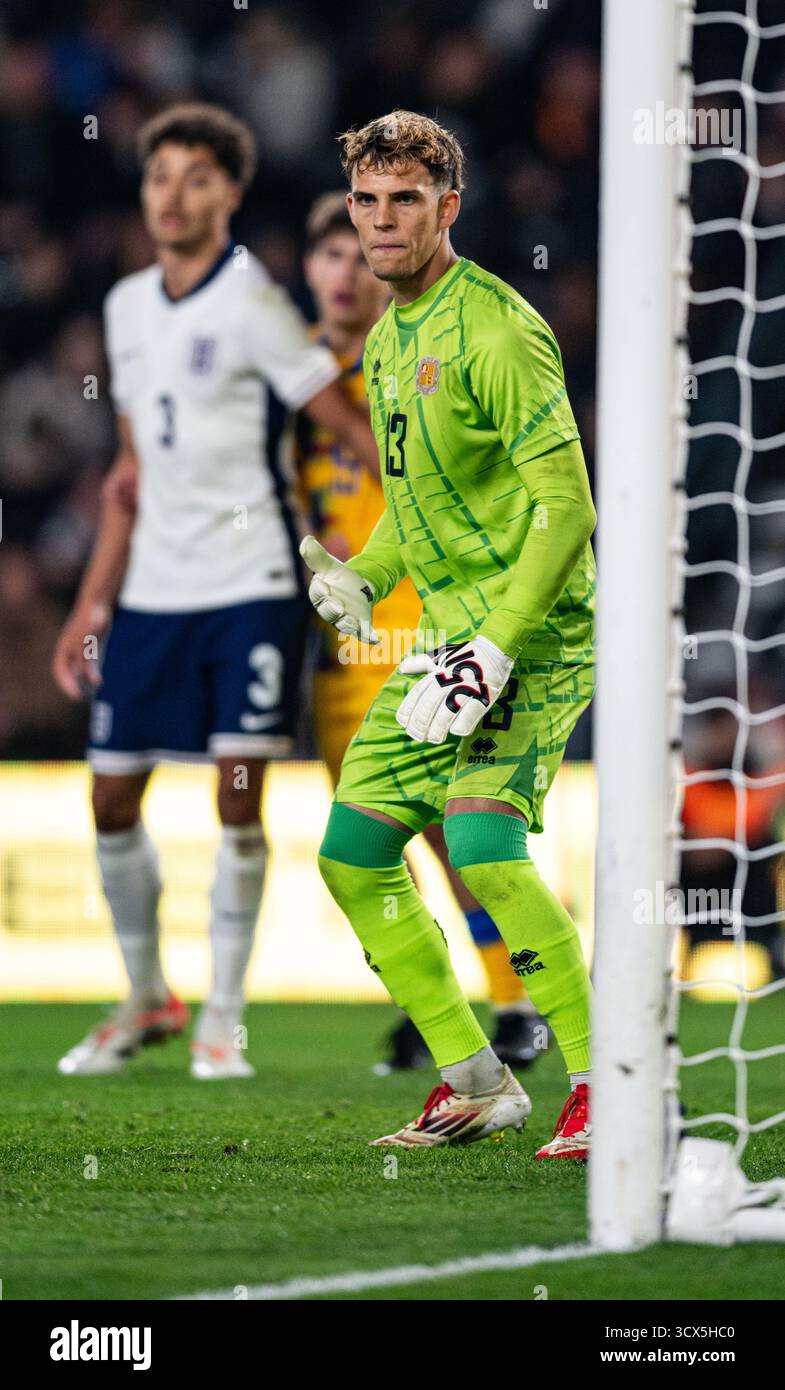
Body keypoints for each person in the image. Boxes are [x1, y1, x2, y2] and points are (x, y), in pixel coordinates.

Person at [52, 102, 377, 1079]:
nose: (173, 196)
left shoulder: (253, 303)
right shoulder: (124, 306)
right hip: (153, 591)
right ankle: (148, 993)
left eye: (197, 178)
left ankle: (222, 1019)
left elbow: (349, 426)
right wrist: (91, 603)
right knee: (111, 797)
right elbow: (130, 473)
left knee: (237, 798)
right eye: (160, 176)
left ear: (230, 193)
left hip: (251, 583)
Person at [300, 110, 596, 1155]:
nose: (381, 222)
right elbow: (414, 503)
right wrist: (365, 577)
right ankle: (474, 1082)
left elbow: (567, 508)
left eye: (405, 201)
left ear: (447, 208)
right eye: (366, 202)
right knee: (352, 852)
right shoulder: (386, 341)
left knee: (478, 840)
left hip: (536, 630)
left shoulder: (498, 330)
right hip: (442, 640)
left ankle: (607, 1081)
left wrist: (499, 643)